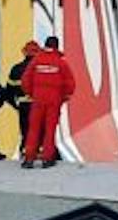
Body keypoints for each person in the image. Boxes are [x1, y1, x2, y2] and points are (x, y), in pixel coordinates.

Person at [20, 35, 76, 168]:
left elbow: (25, 80)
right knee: (49, 130)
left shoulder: (36, 60)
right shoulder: (61, 62)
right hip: (53, 101)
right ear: (56, 46)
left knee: (33, 129)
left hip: (38, 100)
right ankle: (47, 158)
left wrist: (31, 93)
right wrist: (63, 97)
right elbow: (70, 83)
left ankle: (29, 158)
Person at [0, 40, 38, 142]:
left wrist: (16, 105)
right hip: (39, 106)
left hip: (23, 106)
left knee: (25, 132)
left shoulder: (16, 69)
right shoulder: (41, 68)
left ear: (25, 53)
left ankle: (25, 151)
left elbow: (8, 92)